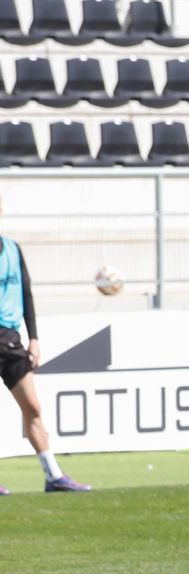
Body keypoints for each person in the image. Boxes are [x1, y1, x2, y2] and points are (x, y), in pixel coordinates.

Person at [0, 209, 89, 495]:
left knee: (33, 408)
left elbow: (26, 293)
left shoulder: (12, 248)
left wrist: (34, 338)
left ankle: (53, 476)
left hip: (10, 339)